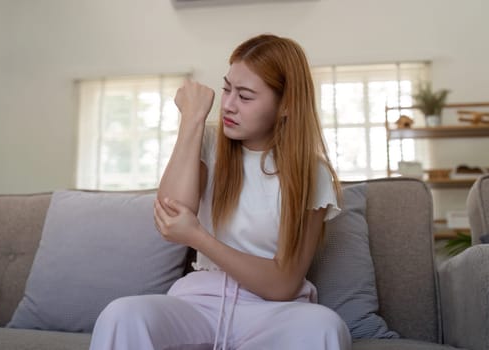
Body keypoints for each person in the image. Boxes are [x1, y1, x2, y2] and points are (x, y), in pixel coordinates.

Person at [89, 34, 351, 350]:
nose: (227, 104)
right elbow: (171, 218)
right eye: (227, 89)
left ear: (286, 105)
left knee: (324, 326)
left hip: (273, 312)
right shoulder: (210, 143)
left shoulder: (312, 173)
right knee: (122, 314)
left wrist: (199, 237)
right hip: (200, 303)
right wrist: (191, 120)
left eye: (245, 96)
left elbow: (284, 283)